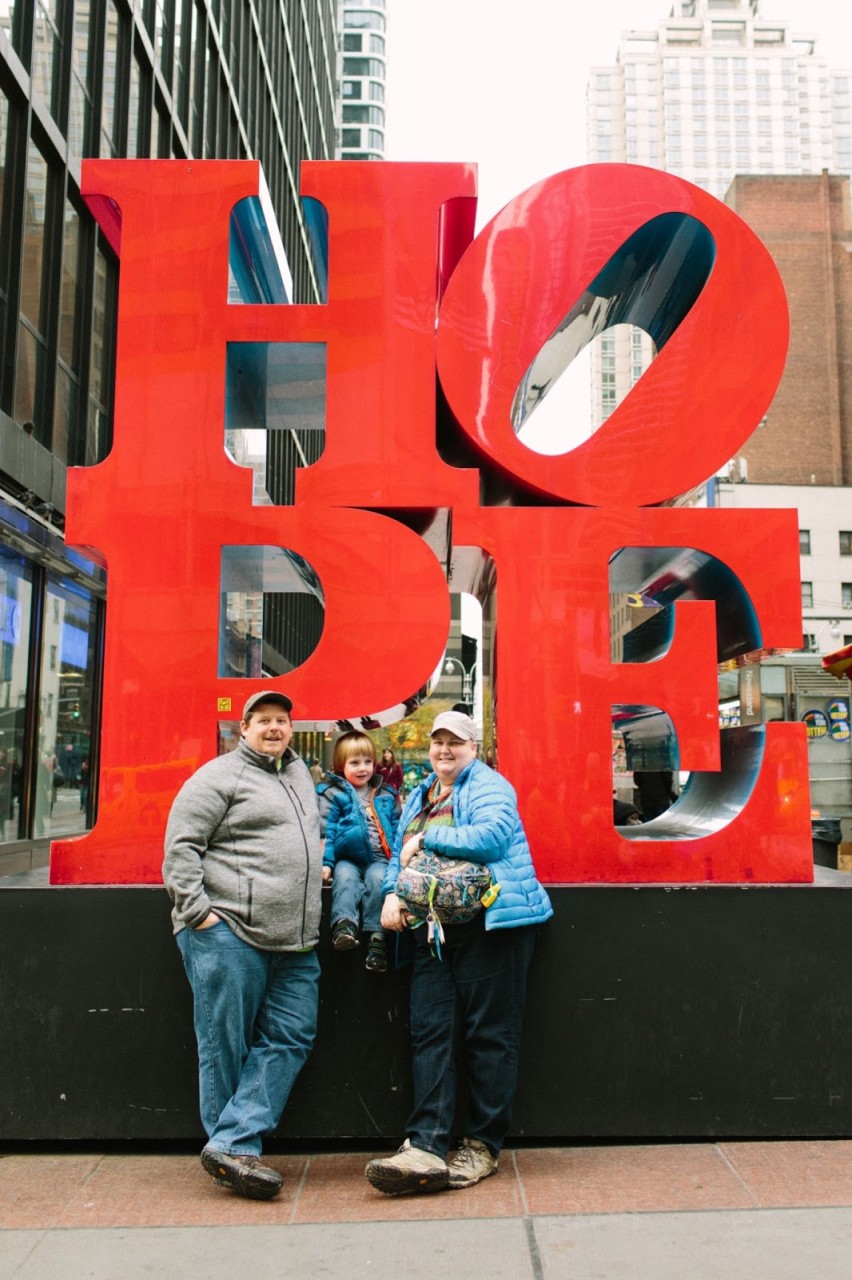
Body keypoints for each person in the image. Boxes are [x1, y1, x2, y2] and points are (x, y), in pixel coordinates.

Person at [365, 710, 553, 1196]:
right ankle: (425, 1144)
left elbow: (490, 838)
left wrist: (429, 838)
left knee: (489, 1037)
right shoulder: (424, 792)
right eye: (438, 742)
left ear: (474, 747)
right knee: (431, 1034)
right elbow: (397, 855)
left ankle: (482, 1147)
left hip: (492, 929)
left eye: (456, 742)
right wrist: (391, 894)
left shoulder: (490, 785)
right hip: (433, 932)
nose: (444, 750)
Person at [162, 689, 322, 1201]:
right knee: (224, 1042)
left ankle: (230, 1143)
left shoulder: (299, 774)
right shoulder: (217, 776)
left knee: (293, 1034)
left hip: (295, 940)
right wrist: (199, 914)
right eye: (263, 721)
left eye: (282, 720)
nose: (274, 728)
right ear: (244, 727)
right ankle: (235, 1150)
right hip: (228, 929)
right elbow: (180, 847)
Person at [317, 732, 397, 973]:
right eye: (354, 763)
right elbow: (327, 832)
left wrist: (399, 862)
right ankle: (344, 925)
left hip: (379, 858)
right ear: (341, 766)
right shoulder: (333, 794)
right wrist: (326, 862)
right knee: (345, 877)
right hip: (346, 857)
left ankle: (377, 939)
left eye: (367, 762)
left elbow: (397, 828)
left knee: (377, 880)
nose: (363, 768)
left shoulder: (386, 795)